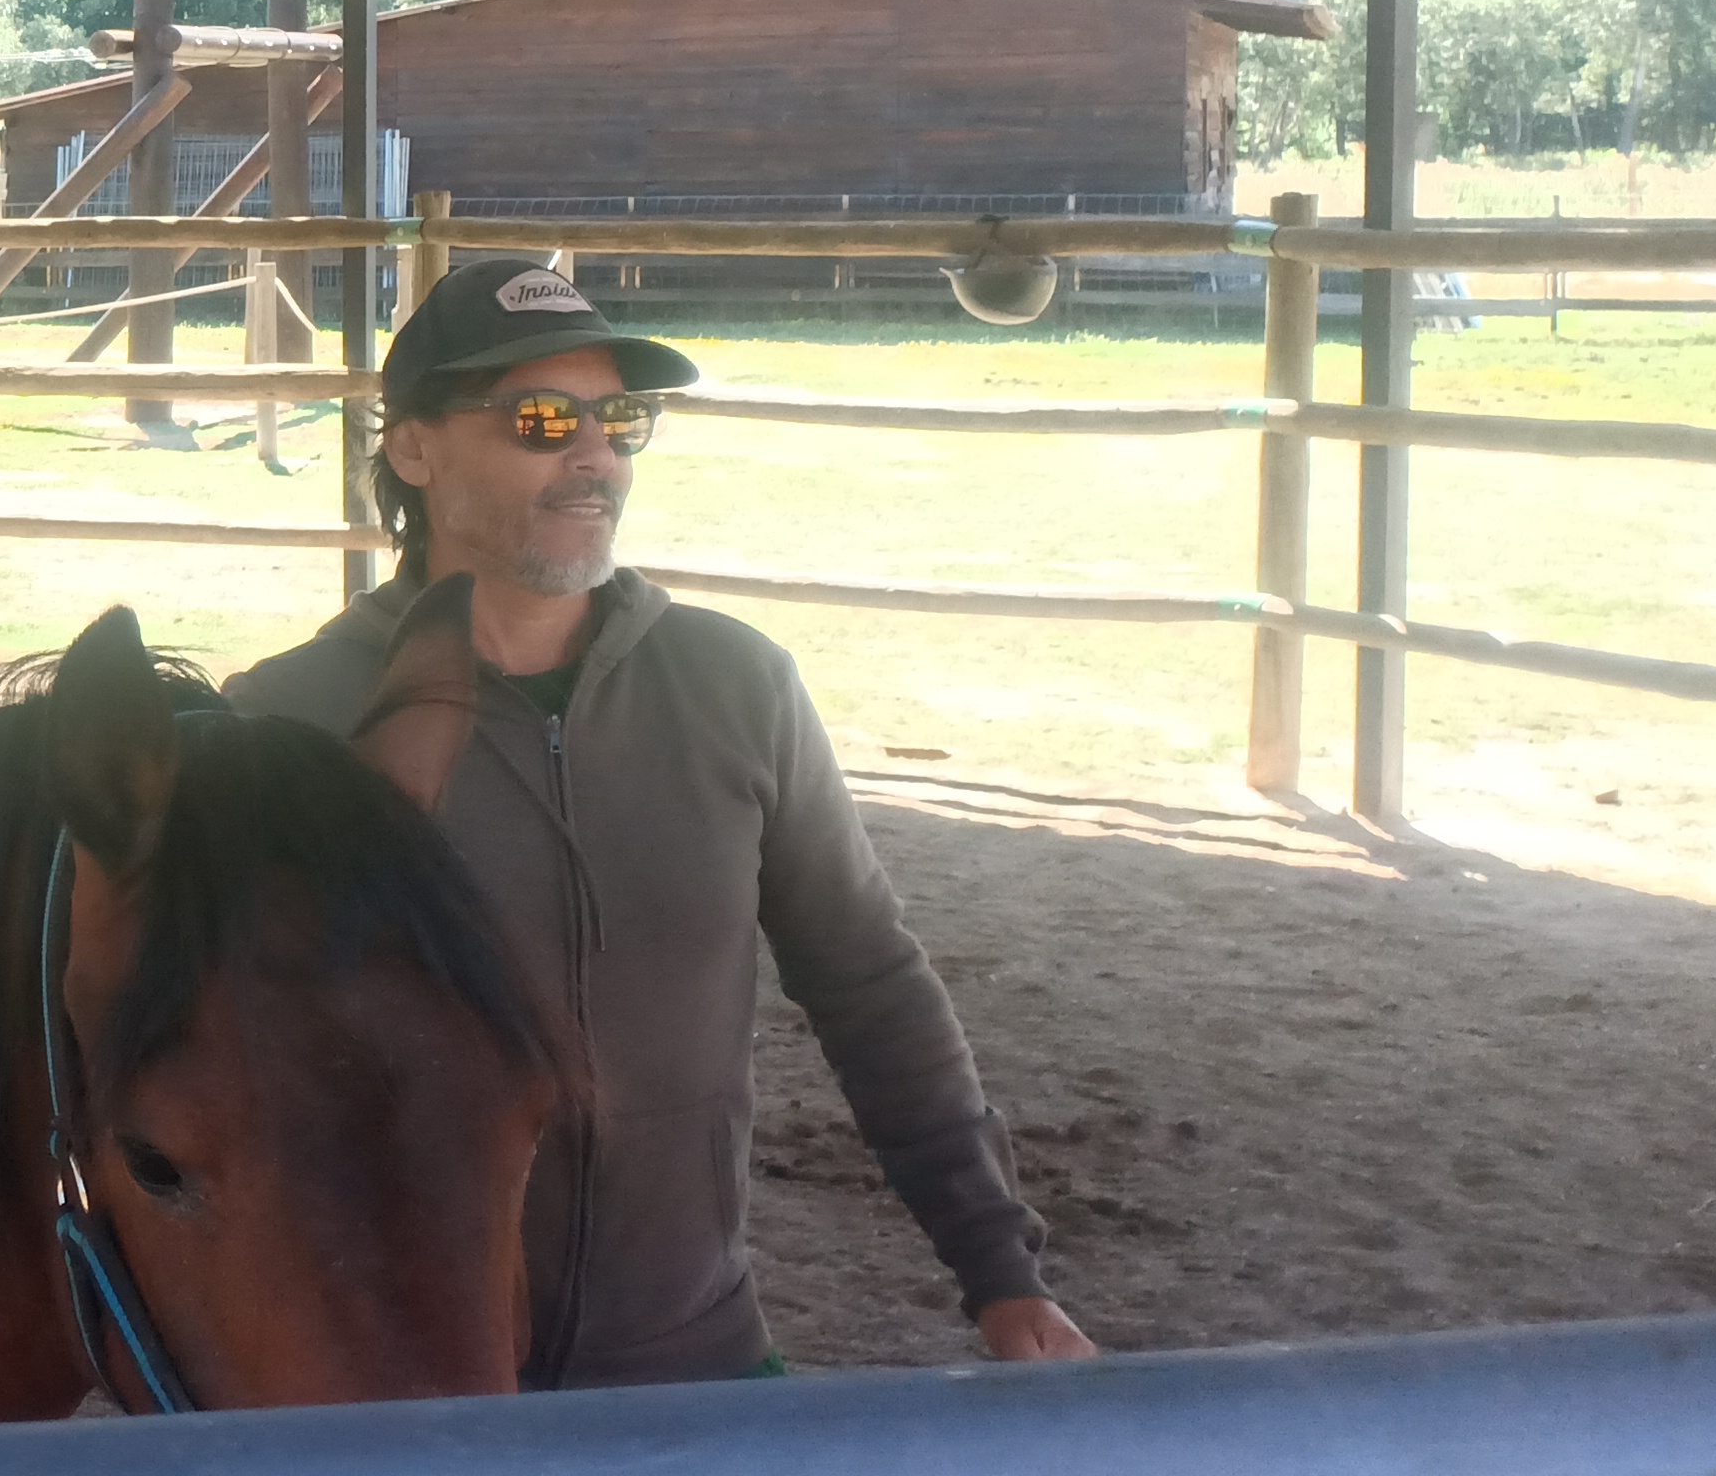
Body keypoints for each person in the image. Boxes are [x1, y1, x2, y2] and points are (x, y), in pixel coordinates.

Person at [224, 258, 1094, 1388]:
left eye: (622, 419)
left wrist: (1002, 1270)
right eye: (542, 420)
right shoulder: (286, 723)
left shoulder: (737, 686)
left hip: (698, 1358)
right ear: (415, 450)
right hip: (400, 1386)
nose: (594, 454)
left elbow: (871, 984)